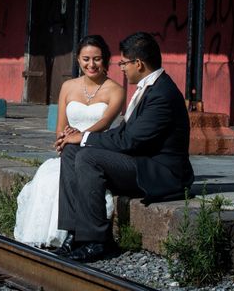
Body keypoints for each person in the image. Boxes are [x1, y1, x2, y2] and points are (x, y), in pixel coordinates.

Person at [54, 31, 194, 262]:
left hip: (160, 173)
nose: (121, 68)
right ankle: (75, 233)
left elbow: (130, 141)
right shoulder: (148, 87)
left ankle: (97, 241)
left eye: (124, 63)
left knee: (88, 157)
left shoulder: (162, 94)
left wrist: (85, 137)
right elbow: (124, 132)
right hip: (139, 161)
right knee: (71, 151)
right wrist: (78, 138)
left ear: (138, 63)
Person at [14, 35, 125, 248]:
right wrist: (64, 139)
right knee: (49, 180)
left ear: (107, 60)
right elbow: (60, 127)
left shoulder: (116, 90)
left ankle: (75, 233)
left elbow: (103, 123)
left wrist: (79, 136)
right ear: (78, 60)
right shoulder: (68, 87)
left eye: (97, 59)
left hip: (96, 149)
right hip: (68, 149)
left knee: (73, 169)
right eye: (86, 59)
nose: (91, 64)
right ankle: (70, 233)